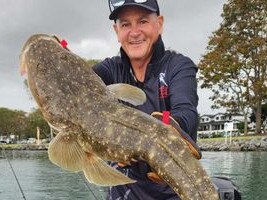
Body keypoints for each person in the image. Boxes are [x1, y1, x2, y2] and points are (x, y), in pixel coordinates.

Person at [93, 0, 198, 199]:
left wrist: (170, 127)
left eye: (142, 21)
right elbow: (80, 82)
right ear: (116, 31)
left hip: (172, 188)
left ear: (159, 23)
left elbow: (186, 111)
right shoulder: (109, 69)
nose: (134, 32)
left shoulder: (178, 66)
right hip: (122, 189)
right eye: (125, 24)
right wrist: (56, 52)